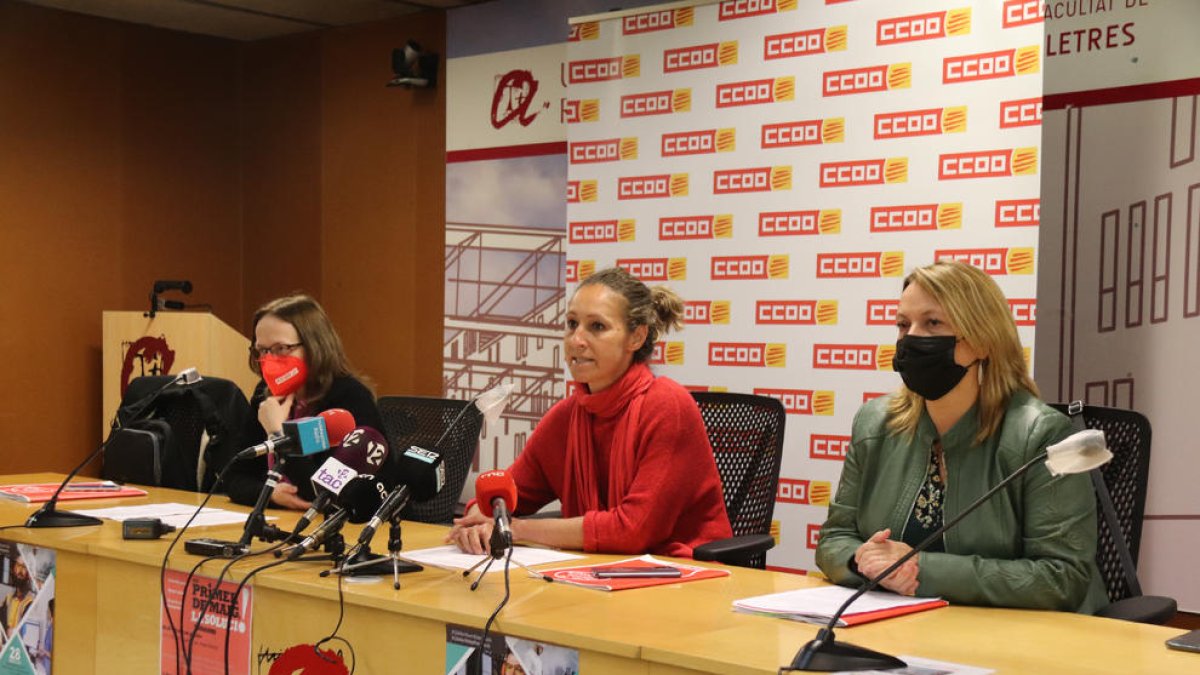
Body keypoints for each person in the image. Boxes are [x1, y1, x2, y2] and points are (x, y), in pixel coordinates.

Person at [816, 260, 1108, 612]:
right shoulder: (875, 423)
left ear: (983, 340)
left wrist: (918, 567)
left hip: (1023, 641)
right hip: (904, 628)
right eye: (903, 324)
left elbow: (1062, 576)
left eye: (933, 323)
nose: (910, 339)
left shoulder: (1039, 434)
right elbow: (834, 538)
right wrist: (860, 561)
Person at [447, 267, 732, 558]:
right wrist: (478, 518)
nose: (576, 340)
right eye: (572, 324)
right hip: (596, 574)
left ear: (636, 337)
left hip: (685, 577)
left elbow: (631, 531)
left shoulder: (668, 405)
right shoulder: (567, 416)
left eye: (596, 327)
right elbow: (504, 495)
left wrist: (514, 529)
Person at [221, 293, 384, 510]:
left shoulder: (350, 398)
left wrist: (279, 434)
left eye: (281, 348)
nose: (270, 359)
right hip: (284, 520)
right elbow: (233, 477)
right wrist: (270, 494)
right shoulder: (266, 394)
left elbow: (329, 493)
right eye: (262, 350)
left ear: (314, 346)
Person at [0, 556, 33, 637]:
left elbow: (28, 634)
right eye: (17, 566)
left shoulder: (30, 602)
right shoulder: (9, 598)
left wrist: (13, 631)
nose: (19, 571)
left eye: (24, 567)